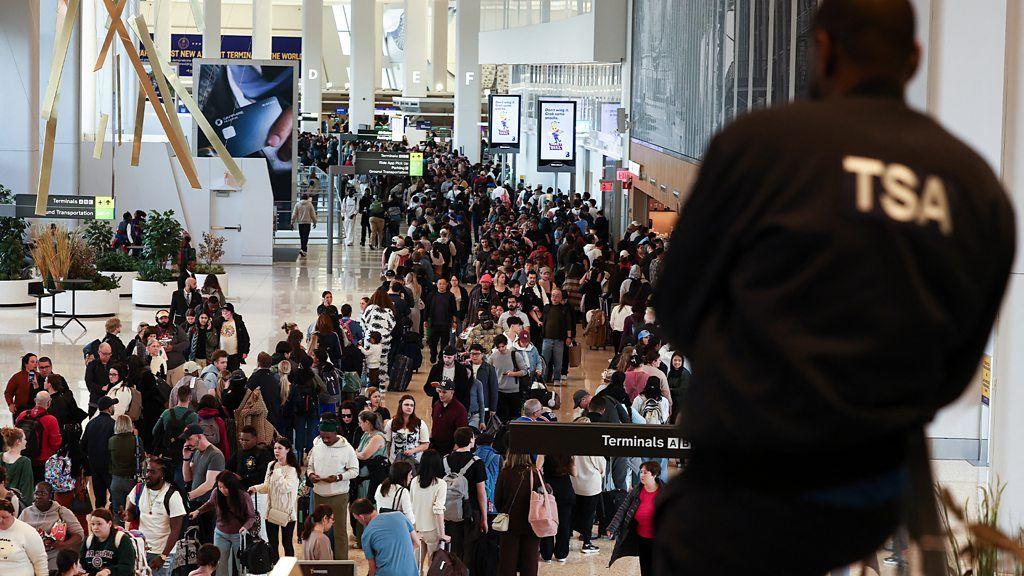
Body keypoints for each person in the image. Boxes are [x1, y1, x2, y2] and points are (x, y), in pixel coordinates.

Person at [652, 1, 1015, 573]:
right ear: (913, 58)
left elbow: (675, 306)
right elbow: (957, 367)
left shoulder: (759, 146)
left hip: (745, 489)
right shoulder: (975, 187)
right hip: (867, 500)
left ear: (820, 49)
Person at [305, 419, 359, 560]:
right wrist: (311, 474)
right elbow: (309, 465)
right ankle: (323, 559)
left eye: (328, 436)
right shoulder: (317, 446)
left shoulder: (347, 449)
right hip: (319, 494)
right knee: (319, 529)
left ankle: (341, 562)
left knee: (339, 531)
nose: (325, 439)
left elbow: (355, 471)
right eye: (322, 436)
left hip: (338, 495)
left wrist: (338, 477)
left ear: (336, 433)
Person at [123, 456, 185, 576]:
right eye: (147, 470)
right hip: (141, 549)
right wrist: (126, 515)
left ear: (162, 475)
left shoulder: (173, 495)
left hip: (162, 551)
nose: (147, 474)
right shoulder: (139, 489)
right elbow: (131, 512)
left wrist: (163, 556)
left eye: (152, 472)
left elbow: (176, 531)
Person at [188, 471, 256, 576]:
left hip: (239, 535)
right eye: (220, 487)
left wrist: (245, 527)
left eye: (225, 487)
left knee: (241, 565)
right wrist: (198, 511)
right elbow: (210, 503)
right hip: (220, 533)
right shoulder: (216, 492)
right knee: (220, 566)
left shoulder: (243, 496)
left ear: (232, 486)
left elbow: (251, 516)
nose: (222, 490)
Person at [247, 437, 300, 563]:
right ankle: (274, 566)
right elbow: (267, 486)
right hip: (271, 511)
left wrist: (277, 473)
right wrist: (256, 488)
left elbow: (285, 488)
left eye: (280, 448)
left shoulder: (292, 469)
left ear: (287, 450)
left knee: (287, 543)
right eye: (275, 448)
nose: (277, 451)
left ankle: (289, 569)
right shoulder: (271, 465)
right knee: (272, 543)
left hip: (286, 513)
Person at [607, 460, 662, 576]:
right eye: (640, 472)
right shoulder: (637, 490)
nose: (641, 475)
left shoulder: (664, 491)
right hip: (642, 537)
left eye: (645, 473)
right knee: (645, 567)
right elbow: (623, 509)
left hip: (658, 540)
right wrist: (612, 527)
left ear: (654, 474)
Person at [443, 427, 488, 567]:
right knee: (468, 550)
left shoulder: (445, 460)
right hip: (470, 511)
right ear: (470, 440)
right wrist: (484, 517)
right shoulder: (477, 462)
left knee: (452, 549)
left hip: (448, 511)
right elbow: (481, 492)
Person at [18, 482, 84, 572]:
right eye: (36, 493)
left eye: (43, 493)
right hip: (30, 554)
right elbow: (17, 533)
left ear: (50, 495)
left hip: (53, 553)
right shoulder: (26, 512)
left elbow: (79, 534)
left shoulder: (61, 511)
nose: (39, 496)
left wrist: (64, 545)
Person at [493, 452, 540, 576]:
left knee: (507, 562)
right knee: (530, 561)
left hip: (510, 523)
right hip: (532, 522)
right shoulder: (534, 473)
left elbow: (497, 500)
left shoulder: (505, 473)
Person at [350, 498, 420, 576]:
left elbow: (372, 568)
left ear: (361, 517)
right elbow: (417, 543)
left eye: (357, 519)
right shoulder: (400, 515)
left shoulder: (367, 534)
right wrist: (402, 553)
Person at [181, 424, 225, 544]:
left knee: (209, 540)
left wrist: (187, 496)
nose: (187, 442)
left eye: (189, 439)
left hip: (209, 505)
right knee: (197, 540)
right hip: (197, 503)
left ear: (199, 436)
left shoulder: (215, 455)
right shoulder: (196, 453)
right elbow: (188, 478)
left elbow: (209, 484)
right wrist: (185, 459)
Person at [409, 450, 448, 567]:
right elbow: (438, 510)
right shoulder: (441, 483)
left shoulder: (415, 481)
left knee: (416, 566)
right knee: (433, 566)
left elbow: (411, 504)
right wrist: (442, 534)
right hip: (433, 529)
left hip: (416, 528)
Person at [79, 397, 116, 508]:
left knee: (99, 497)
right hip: (109, 466)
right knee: (113, 494)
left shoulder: (91, 423)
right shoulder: (113, 424)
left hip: (94, 465)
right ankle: (111, 520)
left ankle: (99, 516)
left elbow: (83, 445)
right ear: (109, 408)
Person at [18, 392, 61, 485]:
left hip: (23, 458)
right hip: (42, 462)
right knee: (40, 489)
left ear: (35, 400)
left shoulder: (22, 415)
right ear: (49, 403)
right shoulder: (51, 420)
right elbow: (55, 444)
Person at [538, 454, 574, 564]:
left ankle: (546, 553)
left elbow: (537, 468)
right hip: (565, 488)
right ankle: (561, 553)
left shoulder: (544, 450)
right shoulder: (568, 451)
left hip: (549, 489)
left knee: (548, 519)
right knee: (564, 523)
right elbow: (575, 473)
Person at [0, 497, 47, 576]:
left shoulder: (28, 532)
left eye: (4, 517)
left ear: (13, 514)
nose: (0, 521)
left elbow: (40, 560)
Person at [81, 509, 135, 576]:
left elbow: (127, 567)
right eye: (92, 524)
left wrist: (108, 571)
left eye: (99, 524)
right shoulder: (88, 540)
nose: (95, 528)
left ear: (109, 523)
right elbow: (82, 563)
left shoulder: (122, 539)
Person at [107, 415, 138, 520]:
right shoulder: (136, 440)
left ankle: (119, 533)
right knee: (135, 510)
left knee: (118, 512)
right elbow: (141, 457)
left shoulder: (112, 440)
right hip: (132, 479)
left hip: (116, 479)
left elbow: (108, 458)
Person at [384, 395, 430, 464]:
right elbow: (388, 443)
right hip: (395, 462)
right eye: (406, 405)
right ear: (400, 406)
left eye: (412, 405)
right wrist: (387, 457)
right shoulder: (391, 423)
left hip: (414, 462)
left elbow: (425, 445)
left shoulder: (420, 423)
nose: (409, 407)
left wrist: (413, 450)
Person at [228, 426, 274, 492]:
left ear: (255, 439)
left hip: (256, 491)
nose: (243, 442)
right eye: (241, 439)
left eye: (247, 440)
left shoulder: (263, 453)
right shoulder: (238, 453)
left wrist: (243, 478)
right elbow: (229, 467)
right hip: (239, 489)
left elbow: (263, 474)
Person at [428, 381, 468, 456]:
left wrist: (456, 448)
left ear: (452, 392)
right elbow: (434, 422)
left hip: (449, 449)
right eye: (439, 391)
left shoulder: (460, 410)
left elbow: (462, 431)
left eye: (444, 392)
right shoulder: (437, 404)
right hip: (435, 445)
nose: (441, 395)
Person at [424, 278, 458, 364]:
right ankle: (433, 354)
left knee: (444, 343)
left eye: (443, 284)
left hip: (445, 323)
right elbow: (427, 309)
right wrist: (425, 320)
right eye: (440, 284)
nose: (441, 285)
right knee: (432, 342)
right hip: (434, 323)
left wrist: (454, 322)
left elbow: (454, 310)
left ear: (446, 284)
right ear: (437, 285)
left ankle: (441, 357)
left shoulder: (450, 296)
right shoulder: (431, 295)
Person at [373, 461, 415, 525]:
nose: (411, 477)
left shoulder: (380, 487)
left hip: (381, 525)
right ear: (403, 476)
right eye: (410, 474)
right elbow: (410, 518)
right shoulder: (403, 492)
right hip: (396, 528)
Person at [1, 427, 35, 502]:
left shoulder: (0, 456)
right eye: (24, 439)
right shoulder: (25, 462)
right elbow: (27, 489)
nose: (26, 441)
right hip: (15, 502)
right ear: (18, 441)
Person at [215, 304, 250, 371]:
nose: (224, 313)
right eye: (223, 311)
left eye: (227, 311)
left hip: (234, 355)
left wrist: (245, 351)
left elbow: (245, 338)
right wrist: (222, 319)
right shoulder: (219, 321)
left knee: (234, 373)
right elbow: (213, 325)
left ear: (231, 312)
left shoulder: (238, 322)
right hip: (221, 355)